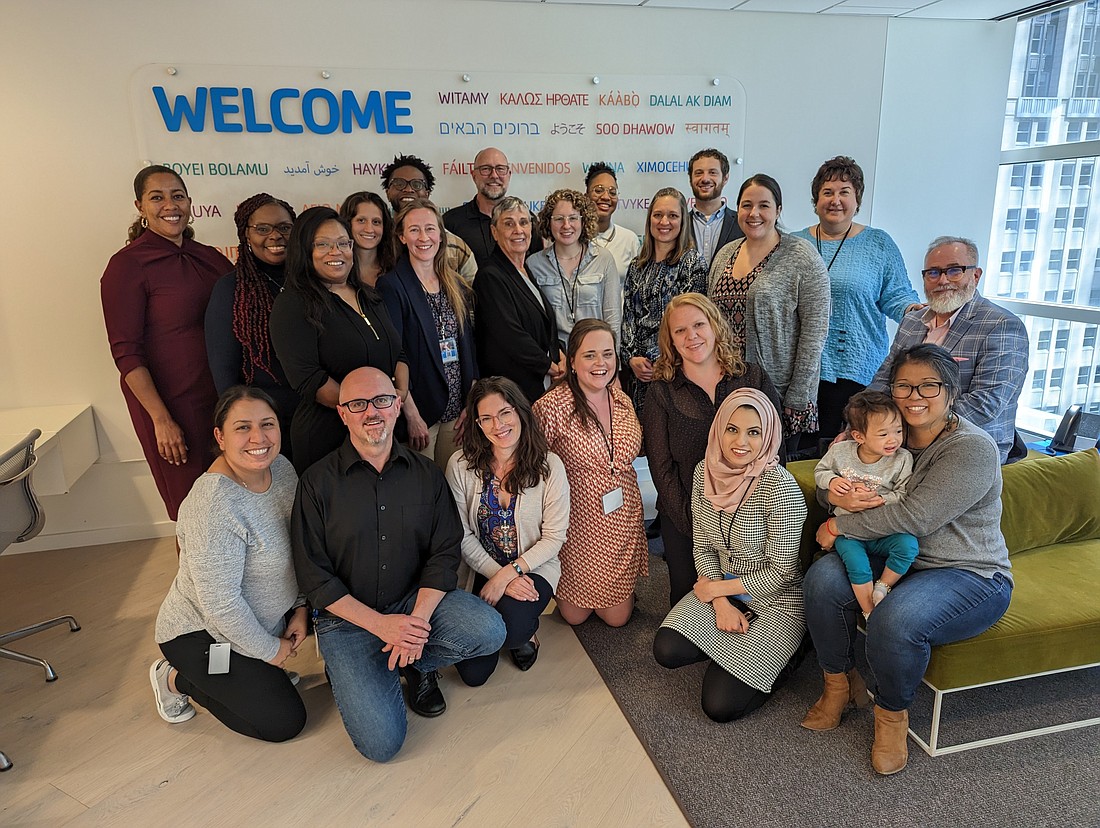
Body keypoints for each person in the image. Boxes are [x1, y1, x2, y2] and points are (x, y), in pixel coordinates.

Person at [803, 344, 1013, 776]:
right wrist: (832, 494)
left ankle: (891, 717)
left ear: (950, 392)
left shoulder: (971, 448)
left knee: (894, 621)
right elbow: (834, 477)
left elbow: (915, 516)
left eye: (929, 385)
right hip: (902, 561)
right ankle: (839, 685)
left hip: (968, 573)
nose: (915, 395)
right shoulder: (880, 436)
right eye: (904, 385)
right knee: (822, 580)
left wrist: (839, 527)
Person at [291, 367, 506, 763]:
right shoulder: (316, 483)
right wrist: (382, 626)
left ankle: (412, 661)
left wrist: (415, 625)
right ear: (342, 413)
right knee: (382, 745)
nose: (371, 412)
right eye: (358, 404)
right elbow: (313, 574)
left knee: (489, 630)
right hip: (348, 620)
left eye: (382, 400)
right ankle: (380, 665)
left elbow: (444, 553)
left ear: (396, 406)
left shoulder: (426, 474)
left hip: (411, 602)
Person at [151, 386, 306, 742]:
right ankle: (174, 678)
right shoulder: (213, 506)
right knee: (283, 722)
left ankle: (254, 671)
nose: (259, 438)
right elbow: (220, 605)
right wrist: (271, 650)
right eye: (242, 428)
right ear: (220, 437)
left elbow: (298, 545)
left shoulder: (281, 468)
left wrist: (299, 609)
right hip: (201, 633)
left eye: (267, 424)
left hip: (262, 620)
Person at [653, 388, 807, 722]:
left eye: (754, 432)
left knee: (720, 706)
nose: (741, 441)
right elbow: (703, 546)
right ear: (719, 428)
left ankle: (790, 653)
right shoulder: (703, 472)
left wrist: (716, 591)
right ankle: (735, 645)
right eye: (732, 429)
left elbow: (781, 573)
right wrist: (721, 604)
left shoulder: (779, 488)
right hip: (724, 587)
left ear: (768, 437)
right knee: (666, 650)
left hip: (776, 600)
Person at [101, 165, 232, 521]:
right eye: (156, 197)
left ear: (189, 202)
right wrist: (161, 419)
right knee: (192, 511)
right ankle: (193, 579)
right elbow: (126, 354)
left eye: (176, 195)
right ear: (140, 206)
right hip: (172, 405)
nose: (169, 205)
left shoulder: (210, 257)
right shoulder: (127, 265)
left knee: (230, 501)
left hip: (221, 399)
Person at [642, 293, 783, 607]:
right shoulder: (661, 391)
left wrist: (762, 516)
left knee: (755, 599)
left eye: (698, 325)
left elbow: (775, 449)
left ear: (715, 326)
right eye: (680, 331)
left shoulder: (752, 377)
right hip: (686, 514)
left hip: (751, 513)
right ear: (671, 341)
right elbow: (661, 469)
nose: (691, 336)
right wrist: (697, 527)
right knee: (690, 599)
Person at [445, 376, 568, 683]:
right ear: (477, 424)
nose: (497, 425)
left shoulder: (550, 466)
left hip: (532, 567)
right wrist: (494, 575)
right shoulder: (459, 466)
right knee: (473, 674)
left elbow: (554, 538)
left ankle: (525, 634)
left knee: (513, 631)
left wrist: (506, 576)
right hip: (478, 570)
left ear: (520, 412)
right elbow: (460, 534)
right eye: (486, 418)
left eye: (504, 413)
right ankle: (497, 627)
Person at [792, 156, 921, 446]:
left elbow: (897, 294)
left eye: (844, 192)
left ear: (857, 199)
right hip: (805, 369)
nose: (835, 200)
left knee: (854, 449)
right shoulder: (794, 243)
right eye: (827, 192)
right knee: (804, 452)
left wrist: (914, 312)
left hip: (860, 368)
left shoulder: (879, 243)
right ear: (816, 200)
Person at [269, 206, 407, 474]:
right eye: (323, 244)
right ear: (304, 250)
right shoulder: (293, 305)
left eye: (343, 243)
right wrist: (370, 412)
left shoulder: (370, 295)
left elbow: (399, 354)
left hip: (385, 431)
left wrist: (396, 400)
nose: (336, 252)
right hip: (328, 438)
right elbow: (310, 379)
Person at [868, 236, 1029, 464]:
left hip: (967, 447)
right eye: (933, 272)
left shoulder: (1002, 325)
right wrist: (863, 421)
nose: (942, 280)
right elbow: (882, 382)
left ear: (975, 275)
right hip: (898, 439)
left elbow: (985, 404)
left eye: (954, 271)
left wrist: (909, 429)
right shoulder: (911, 321)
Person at [533, 319, 648, 627]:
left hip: (622, 514)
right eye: (590, 355)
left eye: (608, 354)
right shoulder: (551, 407)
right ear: (572, 361)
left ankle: (621, 589)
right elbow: (533, 467)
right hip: (575, 522)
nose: (601, 363)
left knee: (616, 618)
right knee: (573, 616)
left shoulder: (622, 400)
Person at [708, 174, 830, 452]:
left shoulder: (801, 256)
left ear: (778, 210)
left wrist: (797, 397)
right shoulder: (725, 254)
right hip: (727, 388)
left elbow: (814, 334)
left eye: (764, 205)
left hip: (778, 392)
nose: (754, 213)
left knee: (769, 480)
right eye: (746, 205)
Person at [379, 200, 477, 468]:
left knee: (453, 487)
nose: (424, 238)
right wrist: (410, 413)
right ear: (401, 236)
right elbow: (394, 355)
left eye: (430, 229)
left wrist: (471, 401)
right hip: (422, 412)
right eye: (414, 230)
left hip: (458, 412)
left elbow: (467, 345)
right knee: (424, 492)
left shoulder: (454, 283)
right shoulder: (391, 286)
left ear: (441, 236)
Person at [204, 193, 300, 461]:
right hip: (265, 427)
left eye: (284, 227)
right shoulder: (231, 290)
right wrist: (246, 429)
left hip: (318, 417)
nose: (275, 236)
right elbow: (225, 375)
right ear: (246, 234)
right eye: (262, 229)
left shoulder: (311, 282)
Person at [813, 391, 917, 618]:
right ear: (859, 437)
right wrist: (832, 481)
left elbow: (902, 494)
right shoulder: (841, 452)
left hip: (882, 530)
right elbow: (820, 471)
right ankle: (869, 612)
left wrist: (880, 499)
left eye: (898, 431)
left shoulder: (902, 459)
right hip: (848, 531)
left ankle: (883, 587)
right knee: (856, 565)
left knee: (908, 546)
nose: (894, 440)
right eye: (883, 434)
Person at [620, 187, 709, 414]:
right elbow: (628, 316)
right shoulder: (637, 266)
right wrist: (631, 359)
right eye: (658, 215)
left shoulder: (692, 263)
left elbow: (693, 323)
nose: (664, 221)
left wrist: (662, 361)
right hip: (640, 374)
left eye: (672, 215)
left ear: (683, 221)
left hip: (677, 371)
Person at [473, 196, 564, 403]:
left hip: (537, 385)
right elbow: (510, 335)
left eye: (523, 222)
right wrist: (551, 366)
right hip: (511, 393)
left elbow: (543, 326)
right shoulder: (490, 275)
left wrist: (561, 355)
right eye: (508, 223)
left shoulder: (526, 270)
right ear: (494, 232)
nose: (518, 230)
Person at [527, 188, 622, 349]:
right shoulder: (534, 264)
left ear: (583, 221)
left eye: (573, 218)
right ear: (548, 222)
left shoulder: (603, 260)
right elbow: (534, 324)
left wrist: (613, 363)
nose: (566, 225)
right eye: (559, 219)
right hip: (556, 360)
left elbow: (612, 318)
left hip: (595, 356)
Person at [381, 154, 478, 281]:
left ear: (427, 193)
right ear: (388, 192)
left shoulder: (455, 247)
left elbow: (473, 294)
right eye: (399, 183)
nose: (408, 189)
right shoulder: (377, 241)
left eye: (417, 184)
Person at [443, 147, 542, 263]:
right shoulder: (451, 222)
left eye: (500, 169)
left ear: (509, 175)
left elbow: (536, 267)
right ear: (474, 176)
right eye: (486, 169)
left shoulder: (528, 221)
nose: (494, 175)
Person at [688, 148, 744, 268]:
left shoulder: (742, 224)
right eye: (698, 173)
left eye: (713, 172)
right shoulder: (678, 225)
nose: (705, 179)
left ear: (725, 178)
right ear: (690, 179)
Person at [585, 162, 641, 280]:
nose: (606, 197)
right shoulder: (574, 239)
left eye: (612, 192)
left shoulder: (629, 240)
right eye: (599, 190)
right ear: (586, 196)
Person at [338, 191, 395, 289]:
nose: (369, 229)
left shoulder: (396, 270)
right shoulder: (335, 271)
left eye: (376, 222)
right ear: (347, 223)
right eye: (361, 220)